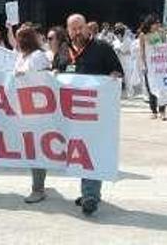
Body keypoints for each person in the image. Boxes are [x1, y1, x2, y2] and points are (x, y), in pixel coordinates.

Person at [52, 14, 123, 216]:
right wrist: (56, 72)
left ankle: (90, 196)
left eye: (80, 27)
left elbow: (117, 72)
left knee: (91, 153)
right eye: (72, 28)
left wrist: (113, 77)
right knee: (78, 153)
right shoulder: (64, 50)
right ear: (67, 30)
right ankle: (88, 193)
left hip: (94, 116)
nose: (77, 32)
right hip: (70, 117)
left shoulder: (102, 48)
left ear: (87, 28)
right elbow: (56, 68)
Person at [13, 25, 53, 204]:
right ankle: (39, 182)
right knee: (31, 148)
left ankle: (38, 188)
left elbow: (45, 79)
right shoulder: (21, 56)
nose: (19, 42)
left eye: (21, 38)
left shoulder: (38, 56)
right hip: (23, 107)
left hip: (38, 110)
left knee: (37, 149)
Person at [138, 15, 167, 120]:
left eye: (158, 23)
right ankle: (154, 111)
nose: (157, 25)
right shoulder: (143, 35)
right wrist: (144, 64)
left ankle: (162, 111)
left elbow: (166, 47)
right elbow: (142, 51)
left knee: (162, 88)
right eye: (155, 23)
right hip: (149, 66)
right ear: (150, 24)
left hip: (160, 65)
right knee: (151, 88)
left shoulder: (160, 33)